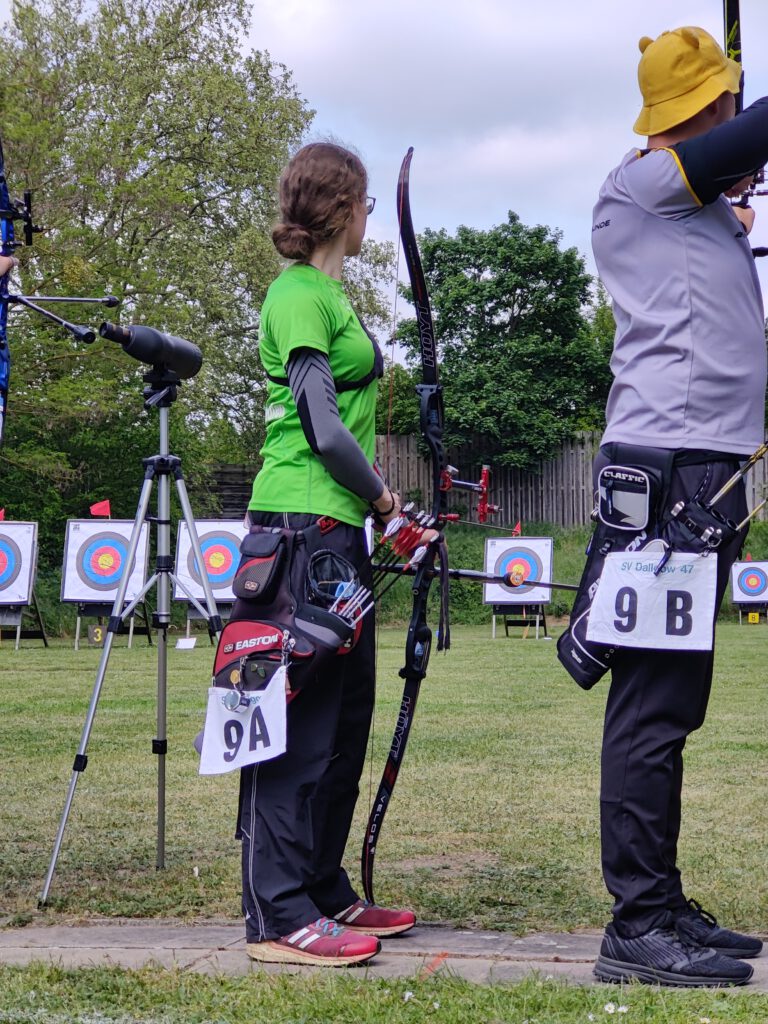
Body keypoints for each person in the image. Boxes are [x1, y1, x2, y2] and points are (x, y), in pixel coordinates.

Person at [560, 27, 767, 986]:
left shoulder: (694, 201)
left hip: (701, 468)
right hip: (670, 471)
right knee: (651, 703)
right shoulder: (644, 183)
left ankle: (662, 903)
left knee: (671, 700)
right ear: (701, 111)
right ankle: (636, 924)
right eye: (723, 101)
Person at [236, 142, 418, 968]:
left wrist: (375, 511)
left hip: (336, 531)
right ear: (341, 206)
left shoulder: (329, 295)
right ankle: (278, 914)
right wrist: (385, 500)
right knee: (299, 723)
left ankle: (320, 887)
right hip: (303, 527)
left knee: (346, 719)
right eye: (367, 199)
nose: (373, 213)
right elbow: (319, 421)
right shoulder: (296, 294)